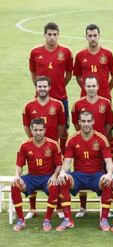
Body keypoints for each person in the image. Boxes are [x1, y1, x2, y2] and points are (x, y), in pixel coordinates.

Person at [56, 111, 113, 231]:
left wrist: (109, 174)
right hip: (78, 176)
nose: (86, 124)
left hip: (96, 176)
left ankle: (104, 219)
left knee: (108, 182)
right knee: (63, 180)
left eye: (88, 121)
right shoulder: (72, 139)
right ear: (79, 122)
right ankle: (68, 219)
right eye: (83, 121)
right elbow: (67, 162)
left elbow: (109, 162)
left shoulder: (101, 139)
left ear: (93, 122)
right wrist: (62, 172)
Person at [22, 76, 66, 220]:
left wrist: (55, 141)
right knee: (33, 172)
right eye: (39, 86)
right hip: (34, 146)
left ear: (49, 87)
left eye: (44, 86)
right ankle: (32, 209)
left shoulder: (58, 105)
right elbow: (26, 126)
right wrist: (33, 141)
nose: (42, 89)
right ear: (36, 88)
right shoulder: (29, 106)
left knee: (56, 175)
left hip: (53, 147)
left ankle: (59, 207)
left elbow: (61, 125)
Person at [71, 76, 113, 217]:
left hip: (101, 144)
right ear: (84, 87)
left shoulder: (106, 103)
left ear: (98, 87)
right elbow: (77, 125)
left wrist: (101, 137)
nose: (91, 89)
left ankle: (107, 207)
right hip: (83, 144)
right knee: (81, 169)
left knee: (103, 173)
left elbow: (109, 123)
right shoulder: (77, 104)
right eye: (88, 86)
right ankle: (83, 207)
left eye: (93, 86)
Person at [29, 22, 72, 156]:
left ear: (58, 35)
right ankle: (42, 155)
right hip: (40, 99)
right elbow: (33, 73)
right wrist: (41, 88)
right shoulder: (35, 52)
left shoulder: (65, 52)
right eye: (49, 34)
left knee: (63, 129)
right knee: (39, 129)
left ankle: (62, 156)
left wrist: (59, 86)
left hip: (61, 97)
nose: (52, 37)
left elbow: (69, 74)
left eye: (54, 34)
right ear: (44, 35)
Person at [11, 118, 62, 232]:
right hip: (31, 177)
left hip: (47, 177)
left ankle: (47, 220)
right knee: (15, 185)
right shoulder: (24, 145)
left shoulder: (53, 144)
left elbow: (59, 164)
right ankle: (21, 220)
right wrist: (17, 176)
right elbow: (19, 165)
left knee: (54, 186)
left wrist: (54, 176)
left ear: (44, 130)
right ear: (31, 130)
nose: (38, 132)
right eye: (35, 130)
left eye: (40, 130)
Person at [73, 24, 113, 101]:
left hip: (104, 98)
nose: (93, 38)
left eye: (95, 35)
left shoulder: (109, 54)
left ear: (99, 36)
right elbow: (78, 77)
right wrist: (87, 90)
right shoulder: (80, 55)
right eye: (90, 36)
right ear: (86, 37)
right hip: (86, 98)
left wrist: (106, 90)